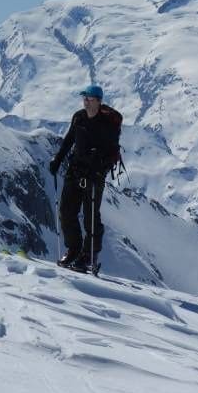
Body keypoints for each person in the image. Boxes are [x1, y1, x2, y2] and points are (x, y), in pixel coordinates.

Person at [49, 84, 122, 273]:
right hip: (75, 170)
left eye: (89, 98)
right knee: (66, 211)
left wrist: (99, 169)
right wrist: (57, 160)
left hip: (95, 175)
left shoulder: (107, 125)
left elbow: (112, 152)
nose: (86, 101)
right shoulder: (79, 117)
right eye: (84, 98)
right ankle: (74, 249)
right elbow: (69, 140)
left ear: (99, 101)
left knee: (90, 216)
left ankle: (89, 255)